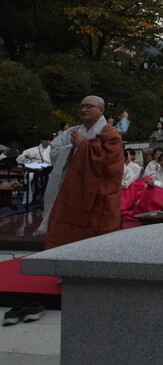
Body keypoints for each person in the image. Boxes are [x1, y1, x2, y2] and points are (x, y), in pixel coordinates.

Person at [40, 95, 124, 249]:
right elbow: (54, 151)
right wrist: (74, 148)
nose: (84, 109)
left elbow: (112, 164)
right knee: (68, 225)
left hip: (98, 189)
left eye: (89, 106)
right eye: (82, 106)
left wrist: (84, 146)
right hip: (74, 186)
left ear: (101, 110)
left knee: (96, 230)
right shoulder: (73, 131)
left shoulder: (110, 133)